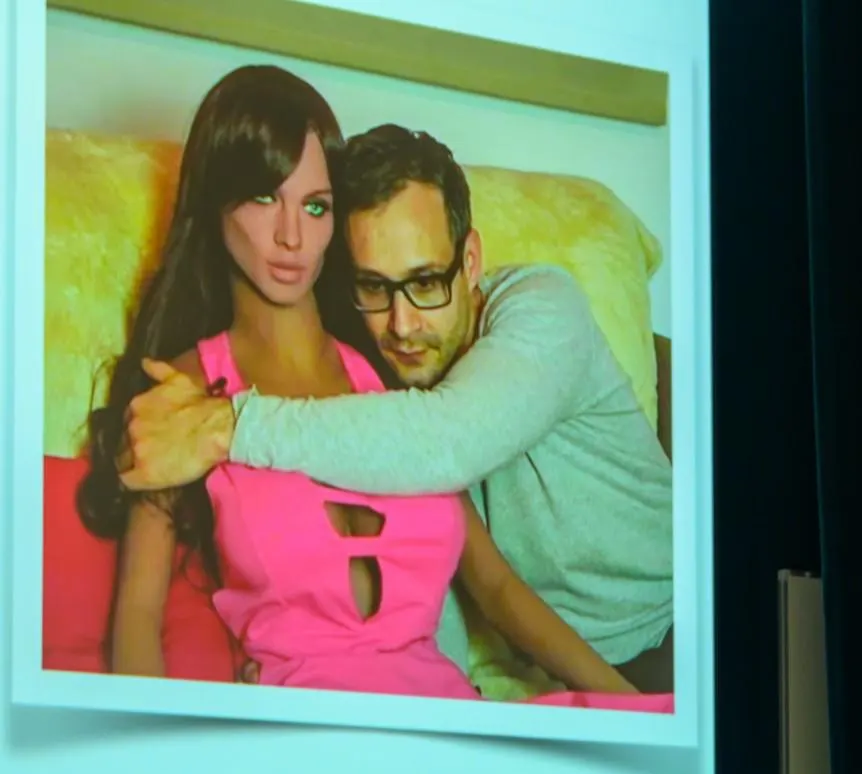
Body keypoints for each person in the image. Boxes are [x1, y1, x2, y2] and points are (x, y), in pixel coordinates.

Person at [79, 64, 669, 714]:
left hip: (553, 679)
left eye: (314, 205)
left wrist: (639, 716)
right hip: (307, 732)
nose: (291, 237)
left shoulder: (416, 371)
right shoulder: (189, 390)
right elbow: (136, 621)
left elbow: (488, 574)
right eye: (262, 197)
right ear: (214, 202)